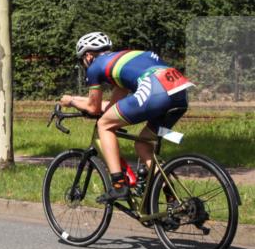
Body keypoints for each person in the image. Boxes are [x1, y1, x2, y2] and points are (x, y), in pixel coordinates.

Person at [60, 32, 193, 203]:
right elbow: (109, 108)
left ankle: (118, 185)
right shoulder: (123, 61)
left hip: (155, 89)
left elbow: (93, 108)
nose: (84, 64)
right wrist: (81, 103)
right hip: (179, 91)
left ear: (87, 55)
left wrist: (71, 100)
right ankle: (173, 199)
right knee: (143, 144)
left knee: (104, 126)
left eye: (81, 60)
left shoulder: (95, 66)